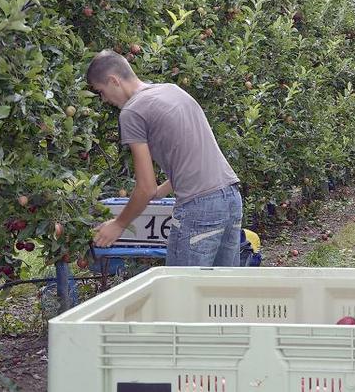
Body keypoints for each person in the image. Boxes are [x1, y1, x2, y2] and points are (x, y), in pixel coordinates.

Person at [87, 50, 242, 266]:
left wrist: (118, 224)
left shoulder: (132, 112)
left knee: (180, 292)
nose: (104, 99)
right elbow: (198, 153)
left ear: (114, 81)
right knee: (222, 293)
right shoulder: (172, 90)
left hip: (198, 207)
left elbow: (145, 188)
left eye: (101, 91)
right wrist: (163, 190)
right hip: (231, 198)